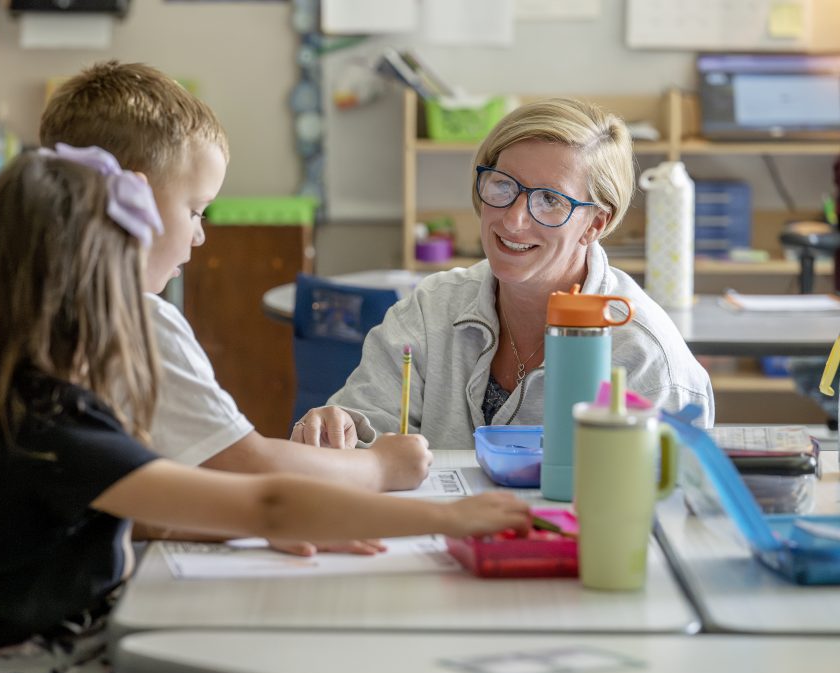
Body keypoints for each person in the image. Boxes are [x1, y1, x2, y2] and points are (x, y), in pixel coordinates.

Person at [0, 147, 532, 673]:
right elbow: (267, 500)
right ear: (98, 294)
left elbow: (143, 514)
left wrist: (239, 527)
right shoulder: (51, 425)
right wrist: (449, 518)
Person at [37, 64, 431, 551]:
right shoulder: (131, 322)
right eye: (195, 210)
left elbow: (114, 507)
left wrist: (271, 523)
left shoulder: (34, 304)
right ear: (132, 201)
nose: (200, 234)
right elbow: (251, 465)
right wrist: (380, 467)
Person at [292, 98, 714, 450]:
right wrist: (338, 429)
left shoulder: (642, 354)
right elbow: (365, 426)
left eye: (550, 200)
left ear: (595, 224)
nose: (512, 221)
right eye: (503, 185)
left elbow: (667, 507)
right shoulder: (431, 308)